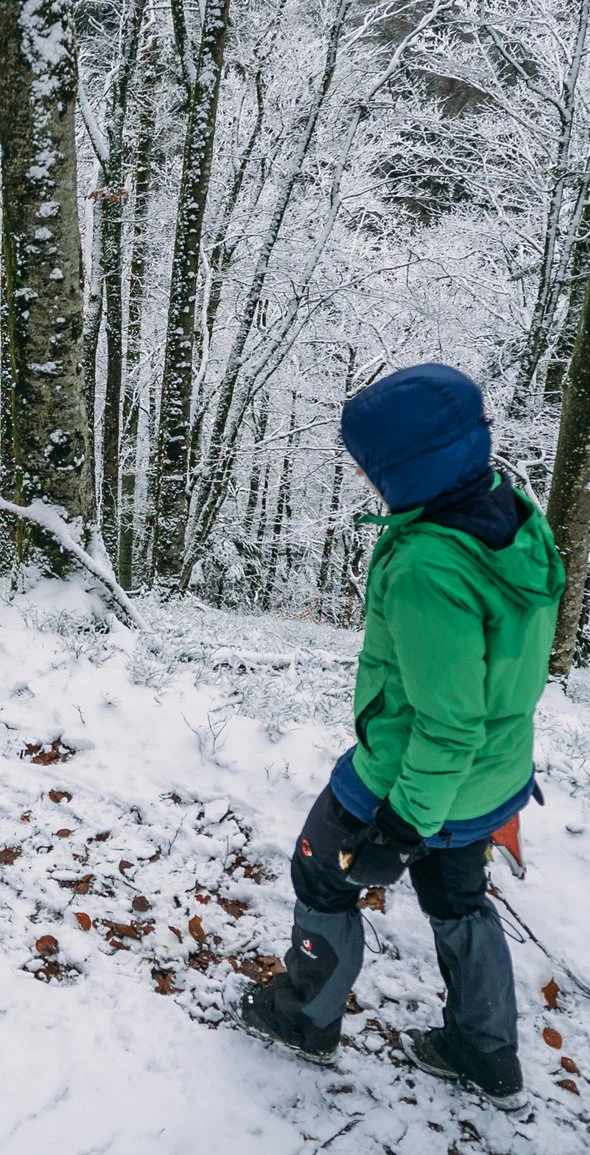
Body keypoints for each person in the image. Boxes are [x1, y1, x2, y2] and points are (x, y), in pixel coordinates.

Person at [239, 363, 565, 1109]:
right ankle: (484, 1053)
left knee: (322, 873)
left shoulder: (428, 564)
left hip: (408, 778)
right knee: (457, 902)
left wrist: (403, 823)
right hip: (490, 777)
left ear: (404, 465)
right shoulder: (510, 517)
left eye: (368, 460)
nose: (360, 472)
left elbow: (447, 721)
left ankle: (304, 1019)